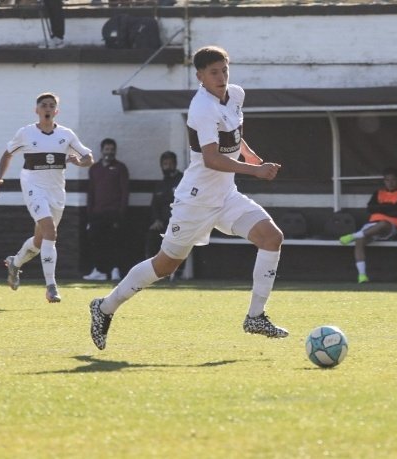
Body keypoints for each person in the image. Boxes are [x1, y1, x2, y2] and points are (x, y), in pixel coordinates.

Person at [88, 45, 288, 350]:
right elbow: (212, 159)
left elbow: (233, 134)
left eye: (224, 70)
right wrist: (255, 172)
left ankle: (255, 316)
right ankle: (104, 307)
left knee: (272, 238)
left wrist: (251, 156)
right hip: (195, 201)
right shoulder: (201, 109)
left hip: (226, 196)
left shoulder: (235, 94)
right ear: (200, 77)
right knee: (164, 266)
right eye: (213, 72)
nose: (221, 77)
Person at [0, 92, 93, 303]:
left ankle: (15, 263)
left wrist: (79, 162)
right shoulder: (26, 133)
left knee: (39, 241)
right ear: (36, 110)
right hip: (33, 186)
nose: (47, 108)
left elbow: (88, 157)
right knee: (50, 231)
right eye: (43, 105)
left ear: (56, 111)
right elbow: (8, 153)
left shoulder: (66, 135)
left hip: (56, 191)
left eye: (51, 105)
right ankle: (51, 286)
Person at [338, 167, 397, 283]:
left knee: (383, 223)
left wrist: (380, 208)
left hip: (391, 226)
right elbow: (370, 208)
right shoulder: (378, 193)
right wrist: (387, 207)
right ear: (384, 181)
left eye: (393, 180)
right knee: (360, 241)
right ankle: (362, 275)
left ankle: (354, 235)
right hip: (372, 225)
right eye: (387, 180)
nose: (390, 183)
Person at [83, 138, 129, 282]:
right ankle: (99, 271)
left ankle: (115, 271)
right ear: (102, 150)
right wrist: (89, 214)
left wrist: (121, 213)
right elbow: (91, 193)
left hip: (114, 212)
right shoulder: (94, 169)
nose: (109, 152)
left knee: (115, 243)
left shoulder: (121, 168)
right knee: (97, 243)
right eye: (107, 149)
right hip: (97, 213)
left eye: (111, 149)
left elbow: (125, 192)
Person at [145, 151, 183, 260]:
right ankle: (152, 268)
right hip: (163, 222)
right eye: (165, 164)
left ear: (175, 164)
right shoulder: (160, 185)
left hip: (179, 222)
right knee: (152, 235)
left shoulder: (183, 181)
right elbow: (155, 205)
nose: (168, 167)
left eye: (170, 164)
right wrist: (157, 220)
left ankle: (176, 272)